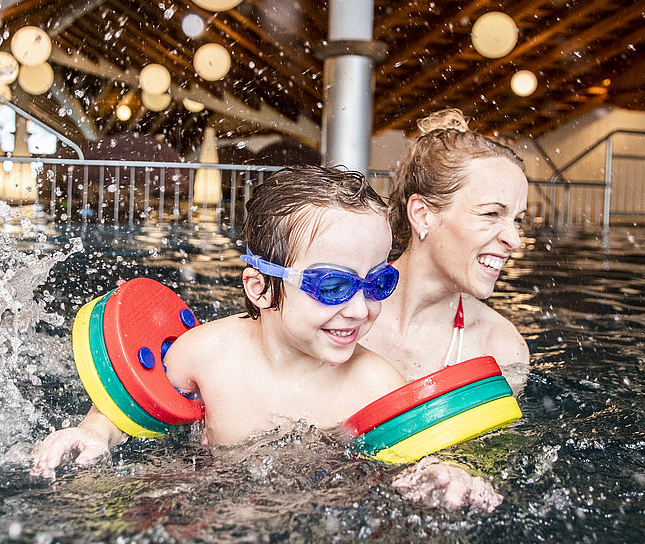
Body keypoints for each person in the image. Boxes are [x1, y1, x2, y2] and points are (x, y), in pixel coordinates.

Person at [31, 165, 502, 510]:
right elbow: (132, 407)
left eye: (376, 283)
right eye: (333, 285)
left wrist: (450, 474)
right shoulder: (206, 353)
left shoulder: (375, 384)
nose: (360, 309)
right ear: (260, 287)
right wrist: (92, 432)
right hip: (202, 502)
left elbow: (420, 459)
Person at [363, 108, 531, 391]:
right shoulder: (341, 317)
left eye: (517, 220)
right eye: (491, 214)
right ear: (422, 214)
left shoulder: (501, 349)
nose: (514, 240)